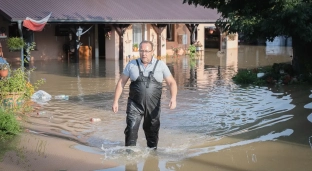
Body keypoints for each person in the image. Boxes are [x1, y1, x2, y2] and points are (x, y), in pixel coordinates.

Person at [112, 40, 177, 149]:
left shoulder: (160, 65)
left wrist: (173, 98)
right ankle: (130, 158)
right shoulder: (132, 64)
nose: (144, 54)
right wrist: (115, 101)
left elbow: (172, 83)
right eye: (141, 51)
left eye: (147, 51)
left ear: (152, 51)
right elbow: (121, 83)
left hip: (153, 107)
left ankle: (152, 157)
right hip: (134, 105)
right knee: (131, 130)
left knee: (152, 134)